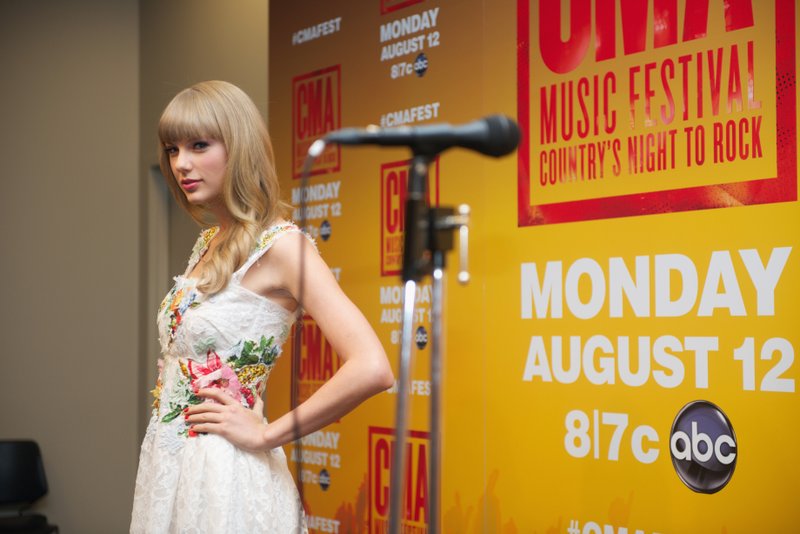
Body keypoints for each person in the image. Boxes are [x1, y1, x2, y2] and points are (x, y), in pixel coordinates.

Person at [130, 80, 394, 533]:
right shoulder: (209, 242)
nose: (182, 164)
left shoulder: (284, 246)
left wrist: (267, 434)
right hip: (171, 467)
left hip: (228, 475)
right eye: (173, 149)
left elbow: (373, 367)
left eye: (198, 145)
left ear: (239, 148)